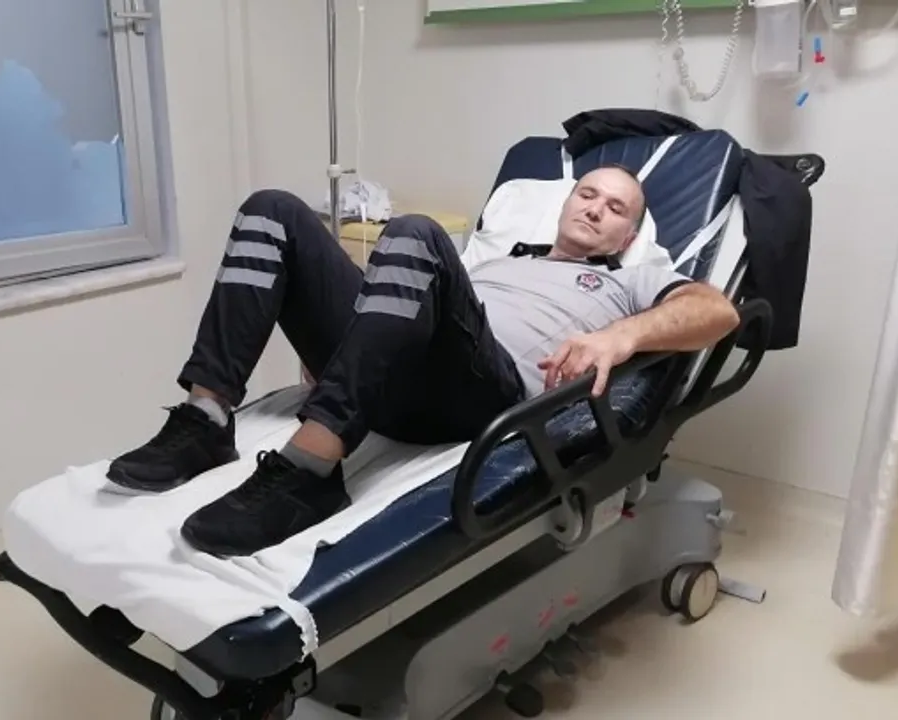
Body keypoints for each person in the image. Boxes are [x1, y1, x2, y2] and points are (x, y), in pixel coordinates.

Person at [106, 165, 741, 557]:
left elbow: (718, 313)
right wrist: (350, 347)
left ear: (629, 236)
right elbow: (403, 305)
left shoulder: (630, 281)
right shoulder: (496, 261)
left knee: (416, 231)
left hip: (479, 392)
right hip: (396, 371)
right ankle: (207, 418)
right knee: (271, 209)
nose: (595, 208)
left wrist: (620, 338)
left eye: (616, 208)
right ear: (567, 203)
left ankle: (309, 471)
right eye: (587, 194)